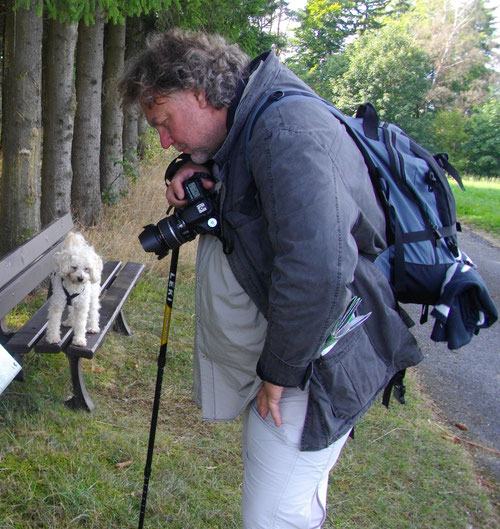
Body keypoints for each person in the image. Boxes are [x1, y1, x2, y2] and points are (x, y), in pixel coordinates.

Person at [118, 30, 422, 528]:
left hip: (315, 363)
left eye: (164, 123)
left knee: (273, 516)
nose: (164, 139)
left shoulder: (285, 131)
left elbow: (318, 269)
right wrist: (193, 165)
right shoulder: (256, 117)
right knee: (295, 504)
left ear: (197, 92)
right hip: (312, 353)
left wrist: (279, 374)